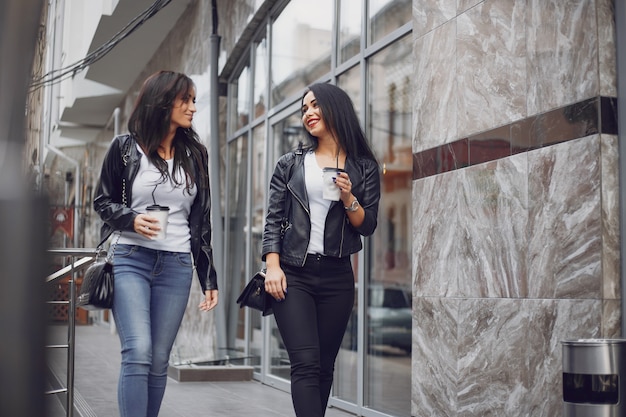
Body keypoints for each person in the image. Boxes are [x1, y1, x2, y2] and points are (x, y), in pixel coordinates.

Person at [93, 70, 219, 417]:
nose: (193, 107)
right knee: (138, 351)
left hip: (176, 264)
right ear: (163, 101)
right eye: (186, 99)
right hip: (130, 257)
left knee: (160, 359)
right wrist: (131, 219)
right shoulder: (124, 147)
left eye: (194, 100)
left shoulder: (196, 154)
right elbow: (102, 201)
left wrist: (208, 277)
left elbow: (201, 220)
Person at [261, 83, 381, 417]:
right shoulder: (291, 164)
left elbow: (367, 224)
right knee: (305, 363)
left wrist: (348, 197)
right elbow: (273, 220)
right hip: (294, 273)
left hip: (337, 277)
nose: (309, 113)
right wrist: (273, 266)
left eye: (315, 106)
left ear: (335, 108)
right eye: (304, 109)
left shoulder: (364, 167)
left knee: (324, 366)